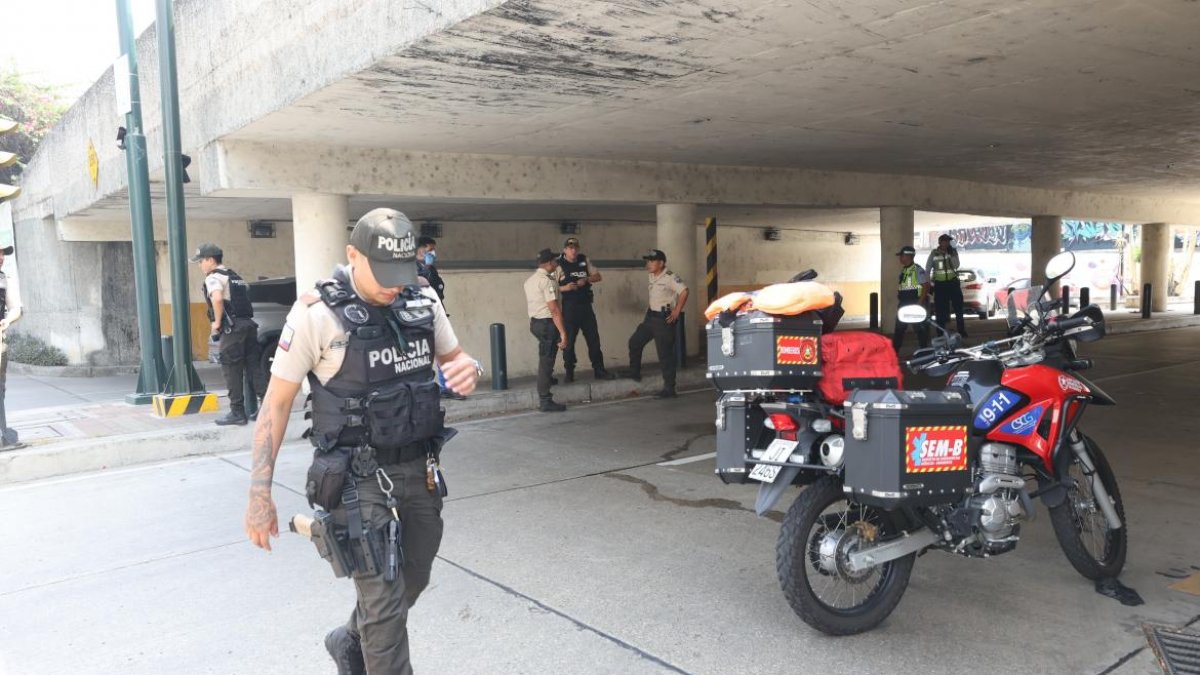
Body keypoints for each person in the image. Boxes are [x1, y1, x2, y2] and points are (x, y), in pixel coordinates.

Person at [243, 208, 481, 675]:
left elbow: (457, 358)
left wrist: (469, 371)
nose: (395, 285)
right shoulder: (316, 314)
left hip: (419, 467)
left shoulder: (422, 296)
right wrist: (259, 494)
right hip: (355, 477)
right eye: (385, 274)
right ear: (353, 254)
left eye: (402, 272)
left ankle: (349, 640)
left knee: (413, 578)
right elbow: (275, 404)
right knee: (386, 606)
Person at [191, 243, 268, 426]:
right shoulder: (235, 276)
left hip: (232, 329)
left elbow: (217, 298)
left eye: (201, 261)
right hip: (248, 325)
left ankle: (237, 413)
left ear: (210, 260)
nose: (200, 265)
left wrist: (217, 322)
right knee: (254, 368)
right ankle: (268, 409)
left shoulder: (213, 278)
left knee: (231, 369)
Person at [626, 249, 689, 399]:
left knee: (665, 355)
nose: (649, 264)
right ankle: (634, 372)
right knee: (635, 342)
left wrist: (677, 311)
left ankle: (669, 388)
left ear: (661, 263)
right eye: (648, 261)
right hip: (650, 318)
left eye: (652, 261)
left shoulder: (670, 277)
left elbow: (684, 291)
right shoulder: (652, 276)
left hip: (663, 320)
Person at [555, 237, 615, 383]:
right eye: (570, 248)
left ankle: (599, 370)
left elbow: (598, 276)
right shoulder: (558, 264)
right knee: (568, 342)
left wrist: (587, 279)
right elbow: (551, 288)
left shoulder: (584, 260)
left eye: (575, 247)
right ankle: (569, 372)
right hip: (569, 308)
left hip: (586, 307)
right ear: (564, 250)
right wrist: (566, 287)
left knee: (594, 339)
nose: (573, 250)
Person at [416, 236, 461, 399]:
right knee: (421, 353)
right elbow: (422, 287)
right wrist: (427, 268)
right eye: (429, 250)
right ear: (418, 250)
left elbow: (439, 289)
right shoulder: (410, 268)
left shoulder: (430, 268)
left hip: (437, 313)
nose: (433, 253)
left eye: (433, 250)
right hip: (421, 317)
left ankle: (447, 387)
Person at [524, 248, 568, 412]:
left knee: (545, 356)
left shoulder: (530, 280)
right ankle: (545, 399)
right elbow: (554, 309)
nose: (557, 263)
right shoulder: (546, 281)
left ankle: (547, 380)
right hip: (547, 324)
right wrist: (563, 333)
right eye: (555, 261)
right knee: (546, 360)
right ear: (549, 263)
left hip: (536, 323)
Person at [0, 244, 24, 450]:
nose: (1, 257)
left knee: (1, 389)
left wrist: (8, 320)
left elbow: (16, 307)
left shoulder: (4, 279)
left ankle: (3, 433)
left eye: (2, 254)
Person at [926, 233, 968, 337]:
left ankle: (961, 331)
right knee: (940, 310)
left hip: (953, 283)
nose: (947, 243)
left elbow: (956, 265)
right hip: (940, 285)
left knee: (958, 308)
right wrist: (929, 284)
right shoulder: (934, 253)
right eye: (944, 241)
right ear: (940, 242)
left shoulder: (953, 252)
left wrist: (950, 254)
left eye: (948, 241)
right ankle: (940, 333)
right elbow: (927, 269)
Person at [893, 245, 931, 351]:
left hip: (915, 303)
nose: (900, 258)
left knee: (920, 329)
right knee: (899, 329)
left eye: (902, 255)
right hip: (904, 303)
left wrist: (919, 302)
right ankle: (894, 352)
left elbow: (926, 286)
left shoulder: (917, 270)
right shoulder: (904, 270)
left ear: (908, 256)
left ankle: (924, 352)